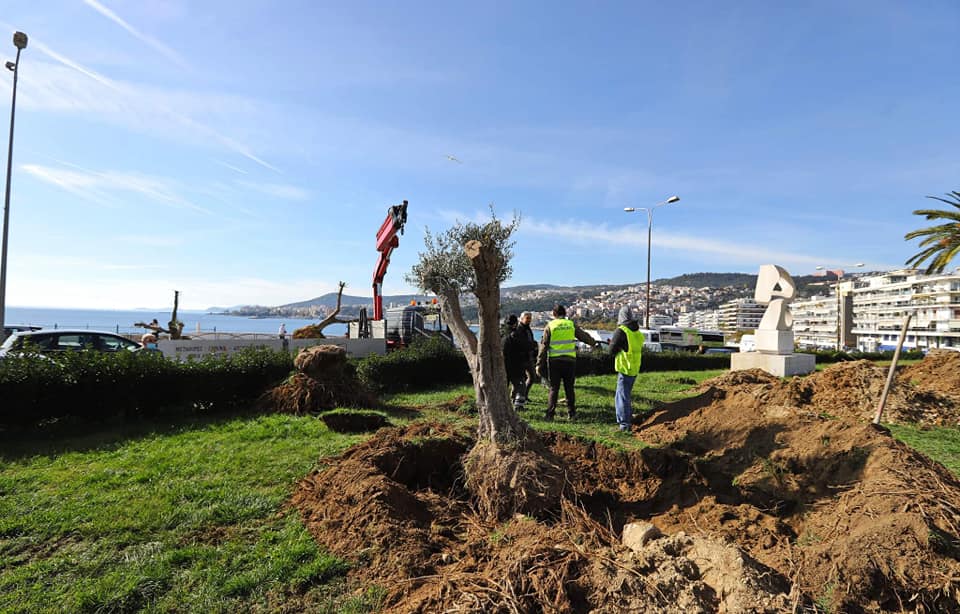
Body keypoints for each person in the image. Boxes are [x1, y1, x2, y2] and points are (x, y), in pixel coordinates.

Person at [536, 304, 597, 420]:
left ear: (554, 314)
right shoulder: (570, 324)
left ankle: (550, 415)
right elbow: (583, 336)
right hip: (570, 361)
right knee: (569, 388)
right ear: (565, 313)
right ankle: (572, 413)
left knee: (554, 388)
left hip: (554, 361)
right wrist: (593, 343)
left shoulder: (550, 326)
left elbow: (543, 346)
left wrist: (539, 363)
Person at [609, 306, 644, 432]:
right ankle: (628, 418)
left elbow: (611, 350)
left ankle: (624, 425)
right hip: (634, 368)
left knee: (621, 396)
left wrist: (613, 346)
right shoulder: (637, 332)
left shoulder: (621, 330)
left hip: (625, 367)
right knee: (626, 395)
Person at [501, 314, 532, 411]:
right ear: (516, 323)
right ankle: (518, 406)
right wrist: (533, 345)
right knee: (520, 385)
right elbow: (523, 346)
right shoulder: (515, 334)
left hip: (502, 364)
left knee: (504, 386)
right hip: (515, 364)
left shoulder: (501, 333)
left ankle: (503, 405)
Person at [517, 312, 538, 404]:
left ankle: (524, 395)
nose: (529, 320)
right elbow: (522, 344)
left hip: (529, 357)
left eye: (530, 318)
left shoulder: (528, 329)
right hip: (522, 358)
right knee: (519, 380)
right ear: (521, 319)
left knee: (532, 377)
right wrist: (533, 345)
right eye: (527, 318)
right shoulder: (519, 329)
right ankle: (517, 397)